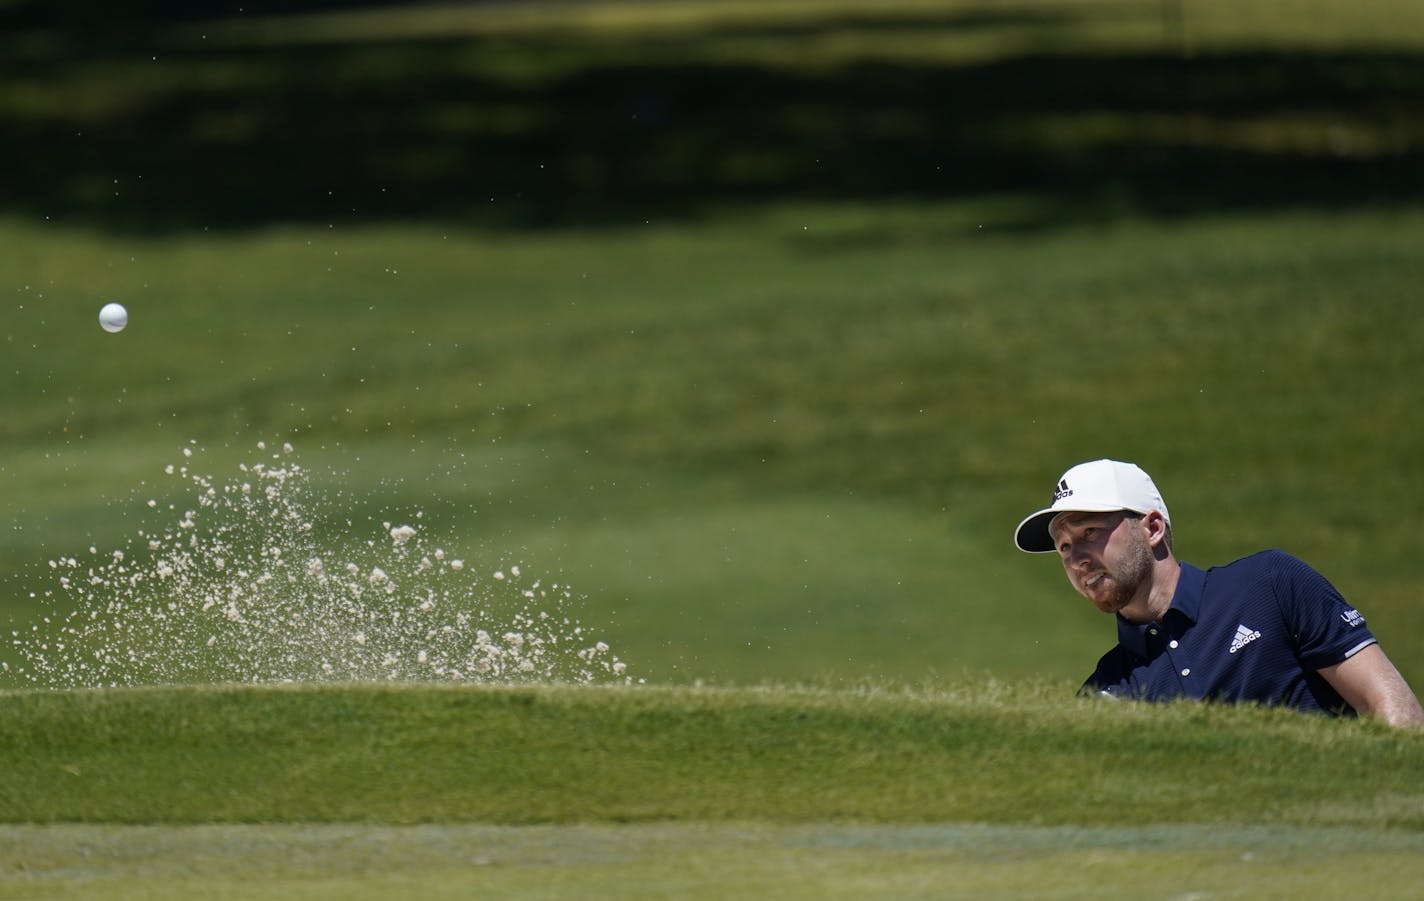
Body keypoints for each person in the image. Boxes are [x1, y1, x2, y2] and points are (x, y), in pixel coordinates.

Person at [1013, 458, 1424, 728]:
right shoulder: (1104, 694)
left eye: (1089, 533)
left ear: (1152, 528)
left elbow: (1391, 707)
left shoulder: (1270, 584)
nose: (1077, 558)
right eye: (1065, 546)